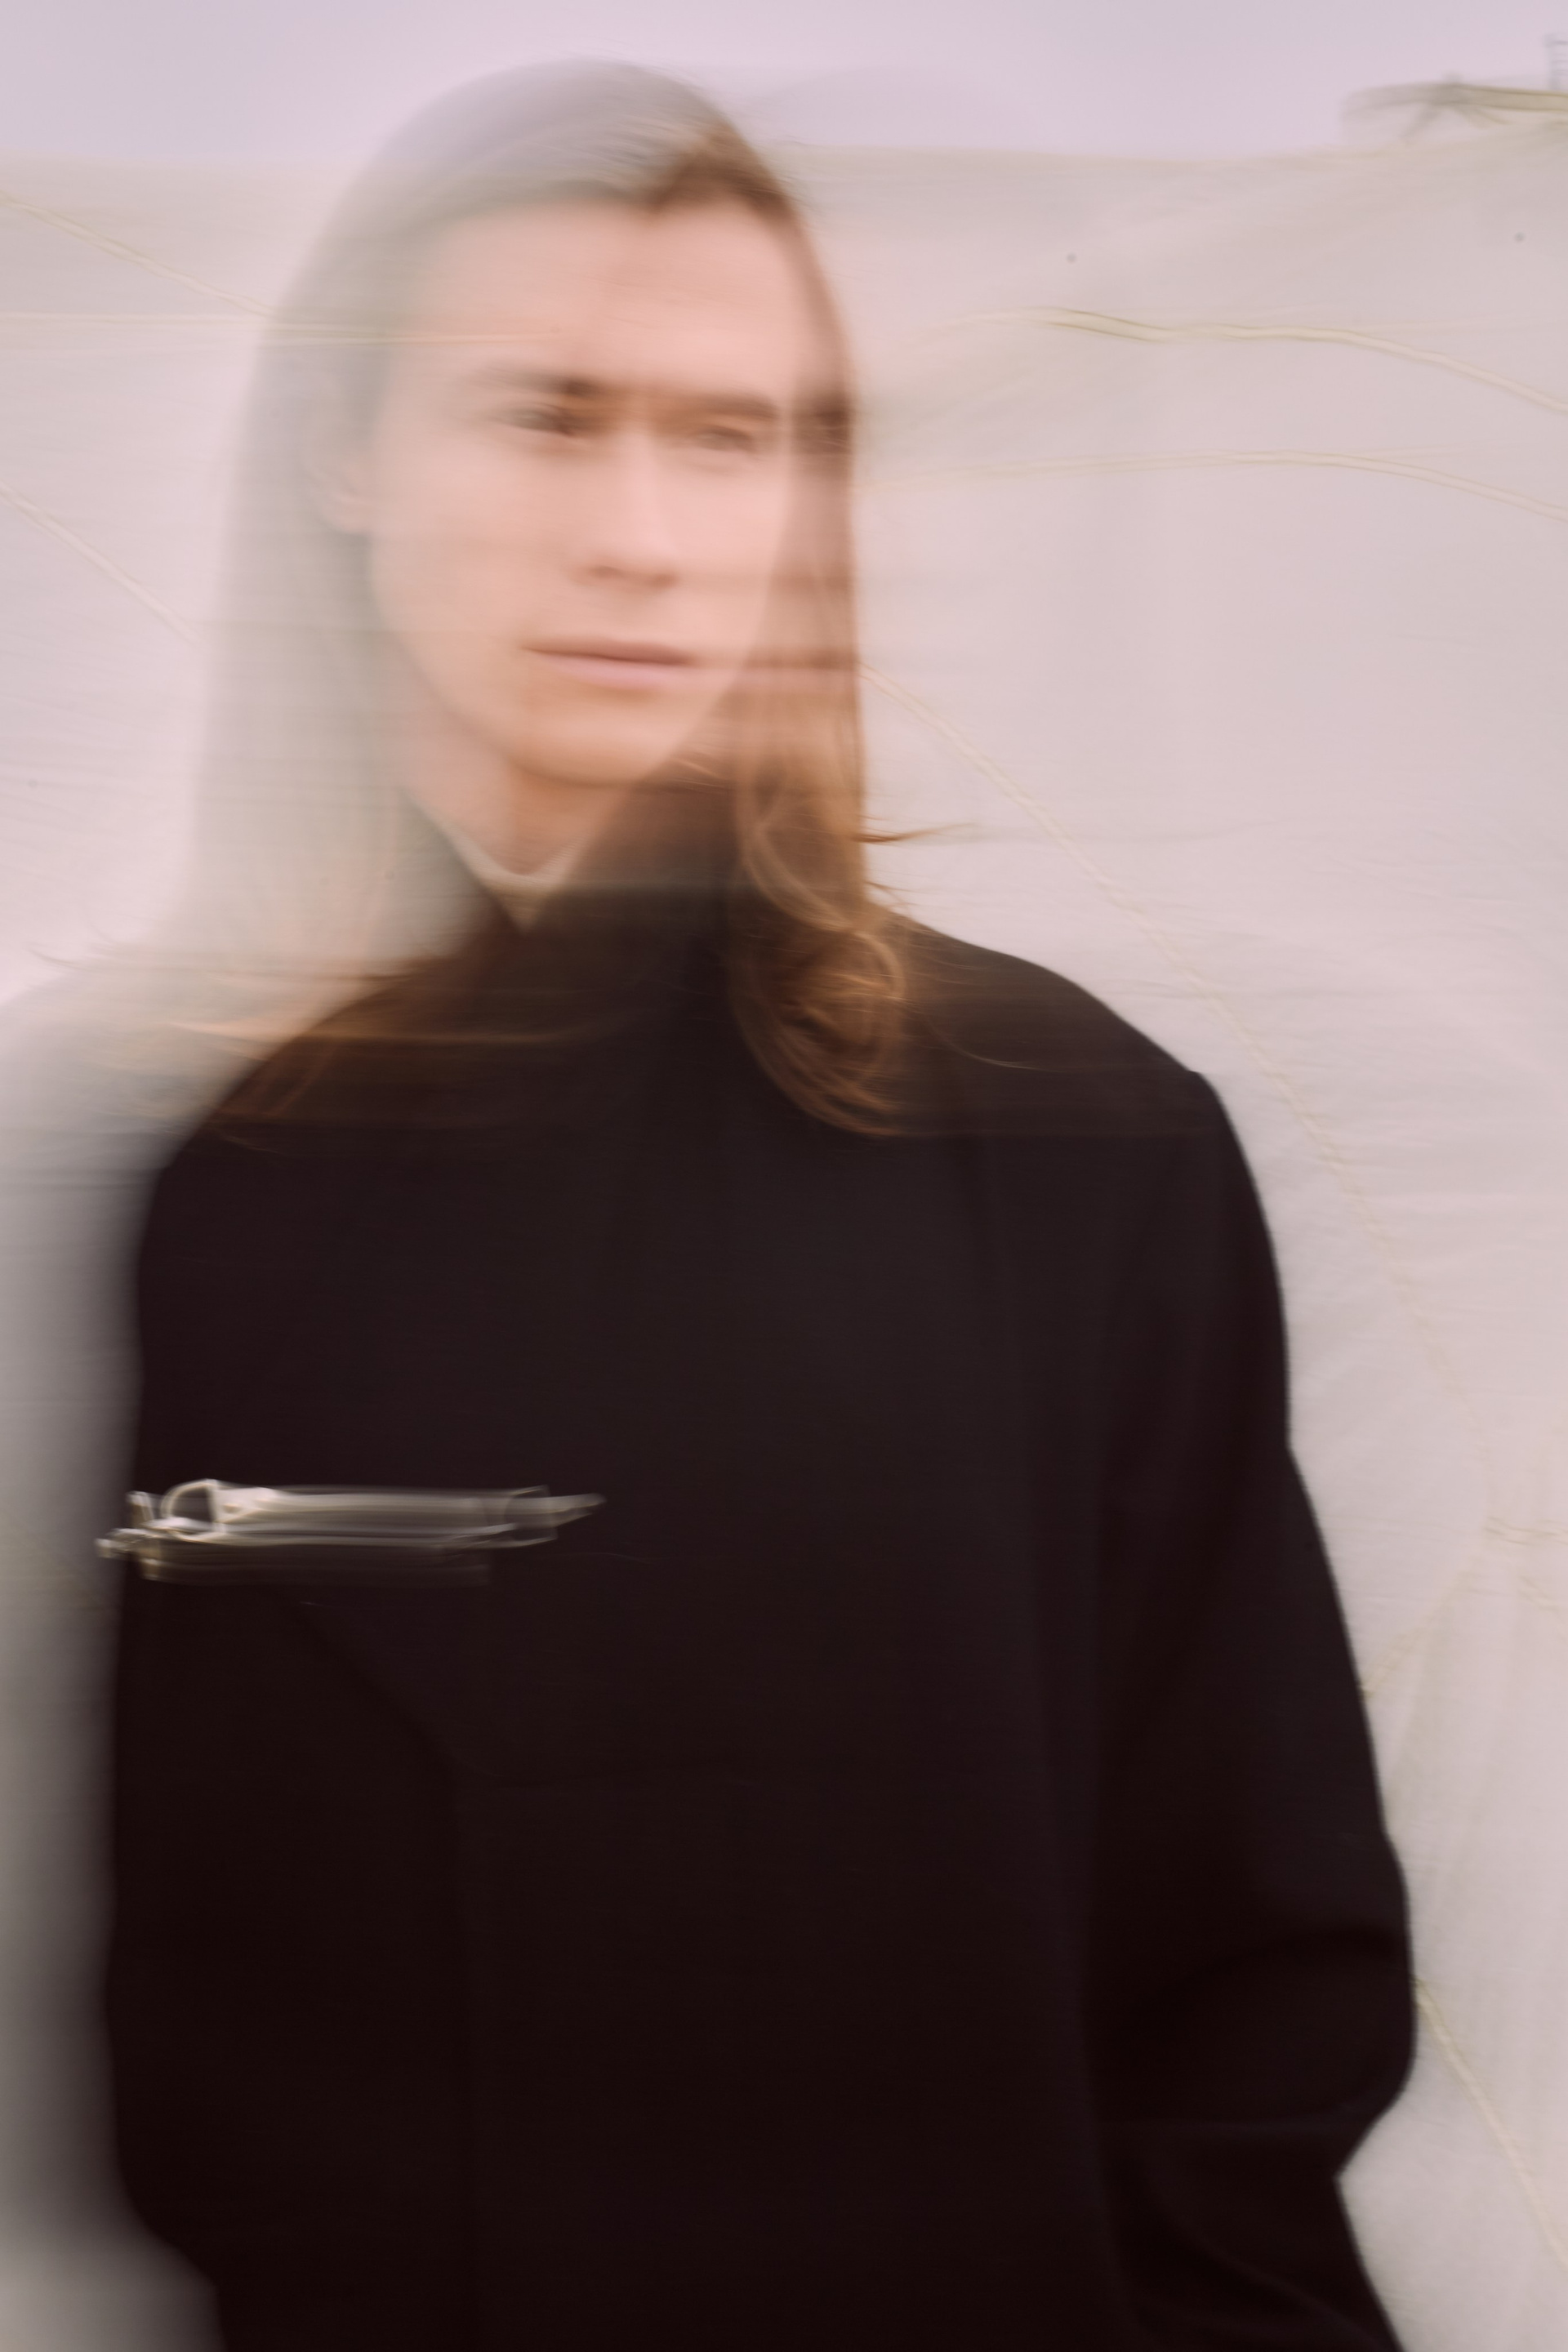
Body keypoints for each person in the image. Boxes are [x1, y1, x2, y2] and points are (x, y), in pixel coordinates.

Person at [104, 63, 1413, 2352]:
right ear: (348, 454)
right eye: (548, 414)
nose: (642, 535)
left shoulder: (1079, 1143)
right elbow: (210, 2009)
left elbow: (1255, 1981)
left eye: (733, 437)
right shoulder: (213, 1193)